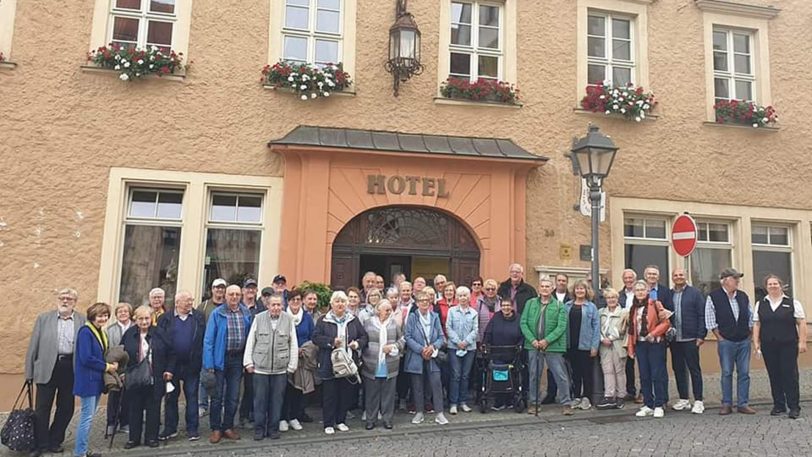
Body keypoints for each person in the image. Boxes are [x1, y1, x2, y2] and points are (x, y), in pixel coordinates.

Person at [25, 288, 87, 457]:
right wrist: (29, 372)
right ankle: (41, 443)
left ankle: (55, 440)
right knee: (42, 408)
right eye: (62, 298)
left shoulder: (82, 320)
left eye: (69, 298)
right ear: (57, 299)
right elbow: (33, 346)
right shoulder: (44, 318)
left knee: (66, 408)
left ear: (75, 302)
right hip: (47, 368)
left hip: (70, 368)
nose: (65, 301)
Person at [312, 291, 368, 434]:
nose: (340, 304)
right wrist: (331, 342)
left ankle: (341, 420)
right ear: (331, 304)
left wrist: (357, 344)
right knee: (330, 395)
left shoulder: (353, 319)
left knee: (345, 394)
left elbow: (364, 337)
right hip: (329, 363)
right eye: (337, 301)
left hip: (348, 363)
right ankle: (328, 423)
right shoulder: (323, 320)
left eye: (343, 301)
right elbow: (316, 338)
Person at [244, 294, 299, 440]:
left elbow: (293, 343)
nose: (276, 308)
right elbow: (251, 340)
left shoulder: (288, 320)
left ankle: (273, 429)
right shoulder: (259, 318)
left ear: (282, 306)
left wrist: (292, 365)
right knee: (260, 401)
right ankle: (259, 429)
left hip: (280, 369)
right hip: (260, 368)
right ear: (268, 305)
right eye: (273, 305)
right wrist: (248, 362)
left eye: (278, 305)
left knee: (277, 401)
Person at [203, 284, 254, 443]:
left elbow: (250, 338)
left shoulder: (245, 313)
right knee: (217, 397)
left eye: (237, 294)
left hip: (237, 360)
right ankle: (216, 428)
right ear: (225, 295)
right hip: (220, 358)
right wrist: (209, 363)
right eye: (231, 294)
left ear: (241, 296)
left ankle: (228, 426)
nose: (234, 297)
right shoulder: (217, 314)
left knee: (233, 396)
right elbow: (208, 340)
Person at [753, 274, 807, 419]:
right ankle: (779, 405)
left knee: (789, 375)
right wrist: (756, 342)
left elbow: (801, 322)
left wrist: (802, 342)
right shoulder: (760, 304)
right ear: (766, 287)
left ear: (781, 285)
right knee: (774, 374)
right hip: (768, 345)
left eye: (775, 283)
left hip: (788, 344)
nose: (772, 286)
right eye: (770, 284)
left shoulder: (792, 303)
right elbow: (757, 324)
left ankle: (794, 407)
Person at [123, 305, 174, 449]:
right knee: (134, 409)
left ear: (151, 318)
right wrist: (122, 372)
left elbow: (172, 353)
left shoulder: (160, 333)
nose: (144, 321)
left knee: (153, 409)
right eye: (140, 318)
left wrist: (169, 370)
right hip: (135, 377)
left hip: (155, 377)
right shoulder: (129, 334)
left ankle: (151, 438)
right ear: (135, 319)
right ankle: (134, 439)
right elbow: (121, 353)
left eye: (146, 318)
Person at [706, 268, 755, 415]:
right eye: (735, 279)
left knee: (744, 373)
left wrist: (750, 335)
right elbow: (710, 319)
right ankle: (726, 403)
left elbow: (751, 316)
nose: (738, 281)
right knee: (727, 372)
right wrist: (719, 337)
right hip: (726, 341)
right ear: (725, 280)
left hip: (744, 340)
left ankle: (743, 403)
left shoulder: (743, 296)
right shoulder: (713, 296)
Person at [157, 291, 205, 441]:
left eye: (191, 300)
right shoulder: (165, 318)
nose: (190, 303)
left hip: (192, 365)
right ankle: (170, 428)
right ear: (177, 303)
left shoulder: (198, 317)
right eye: (186, 301)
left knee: (192, 396)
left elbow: (203, 339)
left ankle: (192, 429)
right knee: (171, 397)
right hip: (172, 366)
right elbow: (160, 341)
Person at [521, 276, 572, 415]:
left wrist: (547, 341)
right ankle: (534, 403)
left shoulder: (559, 305)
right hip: (533, 345)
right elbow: (523, 323)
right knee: (534, 375)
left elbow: (561, 326)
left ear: (551, 289)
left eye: (547, 286)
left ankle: (566, 403)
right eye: (542, 286)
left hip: (553, 346)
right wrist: (532, 340)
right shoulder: (530, 303)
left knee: (560, 375)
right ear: (539, 288)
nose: (544, 289)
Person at [73, 302, 117, 457]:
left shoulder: (100, 332)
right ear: (92, 316)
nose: (103, 318)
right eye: (100, 316)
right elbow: (86, 358)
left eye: (105, 315)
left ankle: (83, 451)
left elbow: (102, 354)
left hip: (97, 380)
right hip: (88, 380)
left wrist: (113, 362)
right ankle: (80, 453)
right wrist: (106, 366)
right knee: (87, 417)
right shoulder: (85, 332)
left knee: (89, 417)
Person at [627, 280, 671, 418]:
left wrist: (653, 333)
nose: (640, 292)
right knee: (644, 375)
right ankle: (648, 404)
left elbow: (666, 323)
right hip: (640, 344)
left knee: (657, 374)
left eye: (642, 289)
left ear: (647, 291)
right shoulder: (633, 308)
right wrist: (630, 348)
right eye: (637, 290)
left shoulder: (656, 304)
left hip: (655, 343)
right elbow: (631, 330)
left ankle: (659, 404)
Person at [404, 292, 448, 425]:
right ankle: (419, 412)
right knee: (417, 385)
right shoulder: (412, 317)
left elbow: (441, 337)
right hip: (417, 355)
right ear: (416, 303)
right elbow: (408, 336)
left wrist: (433, 347)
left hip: (433, 355)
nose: (424, 303)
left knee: (436, 383)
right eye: (421, 301)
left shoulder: (434, 317)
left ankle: (439, 413)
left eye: (426, 301)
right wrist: (421, 349)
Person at [669, 268, 707, 414]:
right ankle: (684, 399)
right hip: (675, 339)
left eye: (681, 275)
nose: (678, 277)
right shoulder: (670, 294)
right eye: (676, 275)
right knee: (678, 369)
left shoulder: (695, 293)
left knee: (694, 369)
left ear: (686, 277)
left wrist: (701, 335)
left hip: (691, 338)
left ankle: (698, 401)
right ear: (673, 278)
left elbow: (701, 315)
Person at [361, 299, 404, 430]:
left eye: (390, 309)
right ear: (378, 310)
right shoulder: (368, 323)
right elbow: (363, 340)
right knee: (371, 394)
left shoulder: (394, 324)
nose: (388, 311)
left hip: (389, 364)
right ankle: (371, 419)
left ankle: (387, 419)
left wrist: (393, 346)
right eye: (386, 309)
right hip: (371, 363)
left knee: (388, 395)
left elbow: (401, 339)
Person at [281, 289, 316, 430]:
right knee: (285, 389)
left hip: (302, 359)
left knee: (298, 389)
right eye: (292, 300)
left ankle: (294, 416)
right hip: (285, 358)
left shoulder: (307, 318)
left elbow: (312, 336)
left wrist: (304, 349)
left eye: (298, 300)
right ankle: (282, 417)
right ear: (288, 302)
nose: (295, 302)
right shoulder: (283, 316)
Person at [565, 279, 600, 410]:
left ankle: (587, 398)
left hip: (586, 345)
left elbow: (596, 327)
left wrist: (594, 346)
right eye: (577, 289)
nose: (579, 291)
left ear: (586, 291)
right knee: (575, 373)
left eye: (582, 289)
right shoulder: (567, 306)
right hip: (571, 345)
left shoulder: (591, 307)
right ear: (574, 291)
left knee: (587, 373)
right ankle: (576, 397)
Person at [482, 297, 523, 409]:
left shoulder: (519, 318)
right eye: (503, 305)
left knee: (512, 376)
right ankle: (499, 401)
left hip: (513, 353)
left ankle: (510, 400)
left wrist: (520, 344)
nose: (506, 308)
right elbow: (488, 332)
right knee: (499, 376)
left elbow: (522, 334)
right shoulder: (496, 317)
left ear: (512, 306)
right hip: (497, 352)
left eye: (508, 305)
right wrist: (485, 344)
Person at [446, 286, 478, 415]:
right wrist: (458, 342)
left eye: (465, 295)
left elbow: (475, 330)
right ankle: (453, 403)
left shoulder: (474, 313)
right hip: (454, 347)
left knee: (465, 376)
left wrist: (465, 342)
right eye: (460, 295)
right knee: (456, 375)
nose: (463, 298)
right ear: (456, 298)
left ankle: (463, 402)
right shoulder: (452, 311)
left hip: (469, 348)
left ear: (469, 297)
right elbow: (448, 327)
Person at [198, 278, 226, 418]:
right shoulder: (203, 306)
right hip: (207, 346)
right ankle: (202, 404)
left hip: (223, 347)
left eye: (222, 288)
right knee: (205, 377)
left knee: (223, 379)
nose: (219, 290)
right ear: (212, 289)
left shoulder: (229, 306)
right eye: (216, 287)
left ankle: (220, 404)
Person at [596, 289, 628, 410]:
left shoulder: (624, 312)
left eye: (613, 297)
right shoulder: (600, 312)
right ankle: (609, 396)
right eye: (609, 298)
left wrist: (610, 338)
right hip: (604, 345)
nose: (611, 300)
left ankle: (621, 396)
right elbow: (596, 327)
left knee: (619, 371)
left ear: (617, 298)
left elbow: (622, 328)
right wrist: (601, 339)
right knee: (607, 370)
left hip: (618, 344)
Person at [105, 302, 132, 437]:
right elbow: (108, 348)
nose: (123, 314)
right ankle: (111, 423)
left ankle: (125, 422)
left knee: (128, 396)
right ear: (116, 315)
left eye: (125, 311)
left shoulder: (134, 327)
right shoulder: (110, 330)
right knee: (114, 396)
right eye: (120, 312)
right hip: (114, 367)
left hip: (130, 367)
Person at [617, 269, 638, 402]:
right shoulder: (619, 295)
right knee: (628, 363)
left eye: (631, 278)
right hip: (626, 333)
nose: (628, 280)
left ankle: (643, 391)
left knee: (642, 362)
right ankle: (630, 390)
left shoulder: (640, 293)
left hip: (640, 331)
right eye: (626, 278)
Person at [476, 279, 500, 343]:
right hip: (483, 336)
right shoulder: (479, 302)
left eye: (493, 289)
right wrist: (478, 339)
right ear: (484, 290)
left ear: (496, 290)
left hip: (498, 336)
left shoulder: (501, 301)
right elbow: (476, 321)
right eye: (488, 289)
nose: (490, 291)